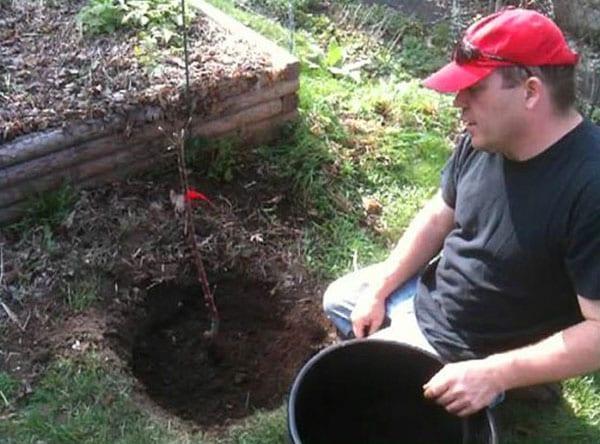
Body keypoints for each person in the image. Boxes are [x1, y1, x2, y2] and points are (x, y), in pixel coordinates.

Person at [323, 7, 600, 418]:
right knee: (341, 298)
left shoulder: (590, 185)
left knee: (367, 398)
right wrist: (380, 290)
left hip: (476, 346)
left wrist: (493, 373)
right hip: (434, 297)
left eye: (474, 89)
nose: (458, 102)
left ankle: (510, 384)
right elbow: (438, 215)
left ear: (530, 92)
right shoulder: (486, 138)